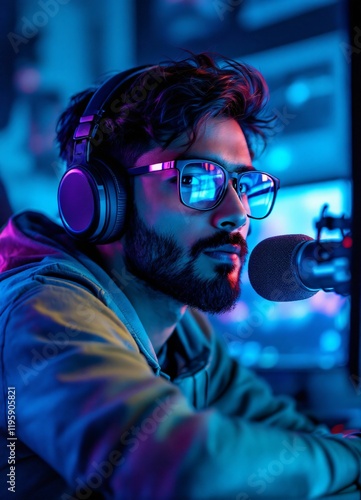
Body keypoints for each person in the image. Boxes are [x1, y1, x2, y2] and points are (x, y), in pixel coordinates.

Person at [0, 52, 360, 500]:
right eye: (197, 180)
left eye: (243, 186)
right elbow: (178, 468)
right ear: (99, 200)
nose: (237, 214)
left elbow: (292, 443)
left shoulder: (188, 334)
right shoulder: (45, 314)